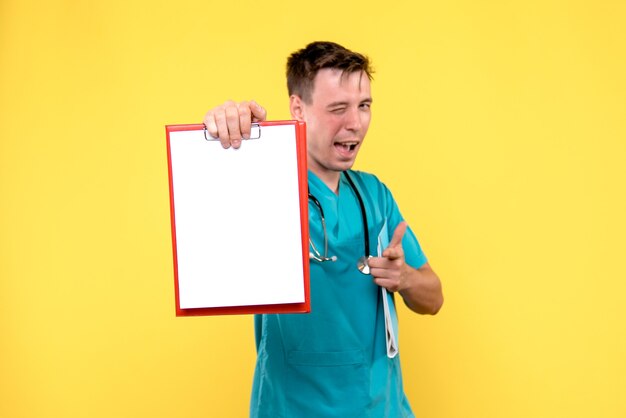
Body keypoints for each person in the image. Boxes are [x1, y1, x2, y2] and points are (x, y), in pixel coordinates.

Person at [203, 41, 443, 418]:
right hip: (292, 408)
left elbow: (434, 299)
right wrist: (225, 131)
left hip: (381, 408)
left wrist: (405, 278)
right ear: (298, 109)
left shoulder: (375, 196)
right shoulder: (263, 184)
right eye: (338, 108)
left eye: (364, 106)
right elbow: (208, 213)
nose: (355, 123)